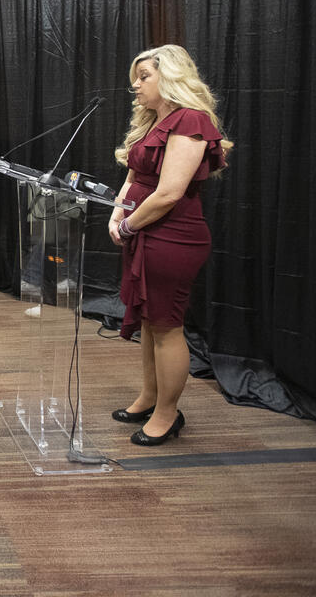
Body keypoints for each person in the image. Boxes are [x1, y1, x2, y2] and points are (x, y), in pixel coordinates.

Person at [108, 44, 232, 446]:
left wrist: (128, 226)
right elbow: (133, 176)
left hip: (173, 237)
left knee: (166, 326)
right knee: (150, 321)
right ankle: (149, 397)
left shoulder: (190, 120)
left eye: (144, 77)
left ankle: (167, 413)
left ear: (171, 76)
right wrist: (117, 214)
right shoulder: (152, 121)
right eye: (136, 79)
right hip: (144, 232)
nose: (136, 86)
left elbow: (168, 193)